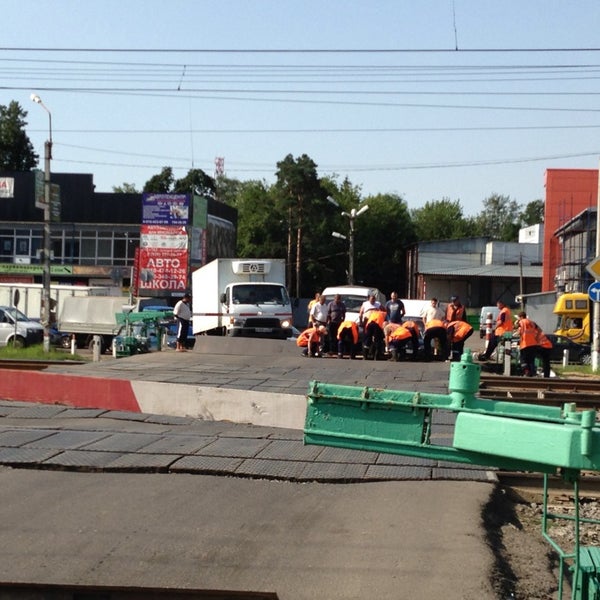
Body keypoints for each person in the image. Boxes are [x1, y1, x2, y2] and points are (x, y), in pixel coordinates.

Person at [515, 312, 539, 376]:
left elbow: (519, 331)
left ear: (521, 317)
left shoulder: (522, 322)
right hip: (533, 344)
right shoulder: (532, 322)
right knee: (531, 360)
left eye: (519, 317)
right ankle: (532, 373)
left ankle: (526, 371)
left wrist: (516, 324)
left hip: (525, 344)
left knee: (523, 359)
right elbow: (537, 330)